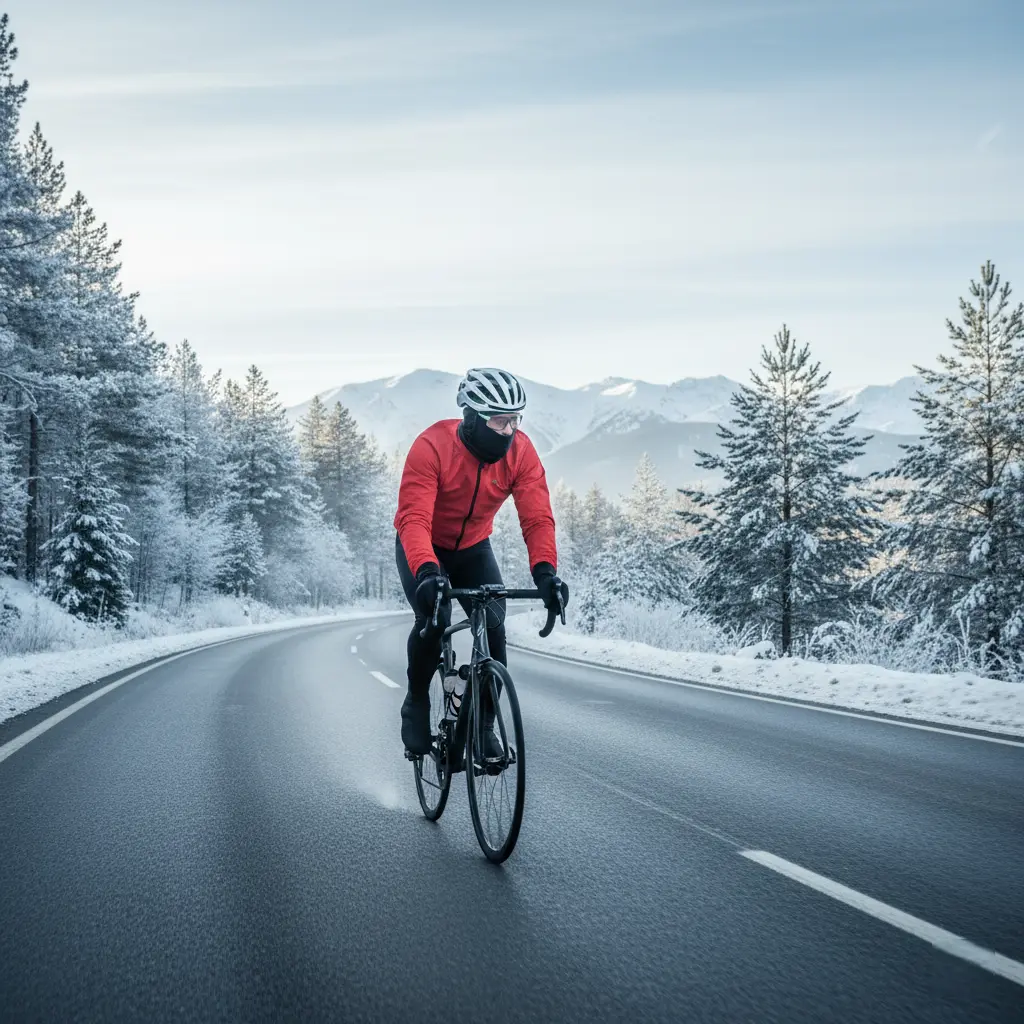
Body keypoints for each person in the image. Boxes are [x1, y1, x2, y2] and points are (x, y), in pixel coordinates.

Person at [394, 367, 569, 757]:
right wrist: (427, 572)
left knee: (493, 622)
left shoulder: (521, 452)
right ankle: (416, 700)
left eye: (514, 420)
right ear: (471, 417)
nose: (508, 431)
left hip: (474, 545)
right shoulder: (432, 447)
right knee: (435, 620)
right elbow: (414, 518)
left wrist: (546, 572)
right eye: (499, 421)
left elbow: (537, 517)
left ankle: (483, 726)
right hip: (424, 546)